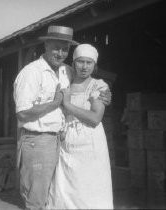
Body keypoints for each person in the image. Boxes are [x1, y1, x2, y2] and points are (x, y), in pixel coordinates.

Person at [13, 25, 111, 210]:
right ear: (46, 46)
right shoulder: (31, 72)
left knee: (56, 193)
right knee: (37, 195)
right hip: (38, 140)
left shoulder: (67, 71)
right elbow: (22, 112)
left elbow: (88, 84)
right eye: (56, 47)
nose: (60, 53)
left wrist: (105, 94)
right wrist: (56, 102)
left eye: (65, 49)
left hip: (60, 139)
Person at [47, 44, 113, 209]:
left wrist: (67, 105)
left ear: (94, 64)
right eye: (80, 62)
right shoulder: (65, 84)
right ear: (73, 63)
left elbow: (95, 118)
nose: (84, 67)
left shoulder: (98, 86)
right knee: (66, 188)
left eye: (89, 62)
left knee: (90, 189)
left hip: (91, 144)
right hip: (67, 142)